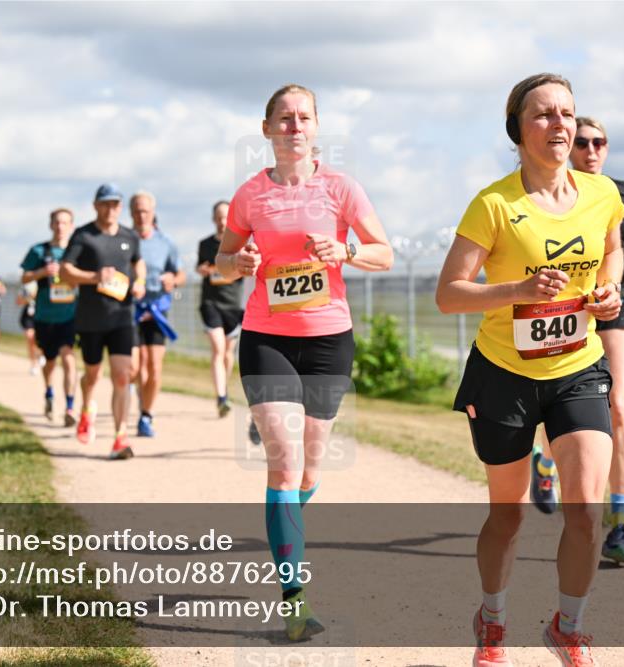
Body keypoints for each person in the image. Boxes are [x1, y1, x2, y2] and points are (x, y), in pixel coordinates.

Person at [436, 73, 624, 667]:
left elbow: (611, 249)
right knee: (509, 512)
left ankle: (568, 627)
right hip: (504, 372)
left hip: (578, 365)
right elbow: (448, 294)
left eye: (567, 113)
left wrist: (608, 289)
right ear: (517, 130)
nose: (560, 124)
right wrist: (516, 288)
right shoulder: (495, 204)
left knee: (586, 508)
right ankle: (492, 620)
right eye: (543, 114)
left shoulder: (602, 195)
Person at [215, 84, 393, 641]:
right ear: (266, 129)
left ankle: (285, 515)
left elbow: (383, 253)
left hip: (327, 339)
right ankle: (294, 598)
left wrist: (347, 252)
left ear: (316, 128)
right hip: (267, 335)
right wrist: (237, 261)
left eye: (304, 117)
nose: (294, 126)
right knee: (285, 463)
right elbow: (222, 263)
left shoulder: (342, 188)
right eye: (284, 119)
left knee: (309, 470)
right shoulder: (249, 195)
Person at [547, 116, 624, 566]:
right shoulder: (547, 196)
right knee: (553, 396)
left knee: (619, 405)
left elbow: (606, 241)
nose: (592, 150)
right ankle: (543, 457)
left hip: (615, 302)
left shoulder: (617, 190)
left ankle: (621, 524)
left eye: (600, 142)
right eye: (584, 142)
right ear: (569, 148)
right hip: (568, 307)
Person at [61, 184, 146, 459]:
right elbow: (65, 271)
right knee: (93, 374)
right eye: (105, 204)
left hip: (122, 316)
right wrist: (94, 277)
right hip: (91, 319)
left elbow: (137, 263)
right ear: (96, 206)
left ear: (120, 207)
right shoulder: (84, 236)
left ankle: (120, 438)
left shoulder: (129, 236)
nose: (111, 209)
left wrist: (141, 281)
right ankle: (87, 408)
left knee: (123, 375)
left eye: (115, 204)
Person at [130, 191, 185, 438]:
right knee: (135, 369)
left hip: (157, 310)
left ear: (153, 213)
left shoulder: (165, 242)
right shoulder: (125, 239)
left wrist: (172, 278)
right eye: (137, 211)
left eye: (146, 211)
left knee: (154, 367)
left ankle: (146, 415)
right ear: (131, 213)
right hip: (130, 310)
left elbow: (180, 274)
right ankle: (139, 398)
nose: (142, 215)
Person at [21, 207, 79, 427]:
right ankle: (49, 392)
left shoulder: (76, 252)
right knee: (50, 361)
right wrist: (42, 272)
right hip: (45, 315)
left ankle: (70, 406)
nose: (60, 227)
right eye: (57, 222)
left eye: (65, 223)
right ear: (51, 225)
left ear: (71, 226)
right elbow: (25, 277)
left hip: (70, 314)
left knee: (69, 357)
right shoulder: (39, 251)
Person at [197, 200, 246, 418]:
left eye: (225, 216)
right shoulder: (205, 244)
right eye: (218, 216)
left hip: (233, 306)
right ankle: (221, 398)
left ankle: (223, 387)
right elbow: (200, 267)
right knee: (218, 348)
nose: (221, 221)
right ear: (213, 218)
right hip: (211, 303)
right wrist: (204, 270)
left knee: (227, 353)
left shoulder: (240, 244)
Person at [16, 280, 41, 375]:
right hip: (29, 316)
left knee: (40, 340)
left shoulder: (47, 281)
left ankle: (40, 355)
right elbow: (18, 301)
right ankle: (34, 364)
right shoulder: (27, 285)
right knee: (30, 337)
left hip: (42, 315)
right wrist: (30, 297)